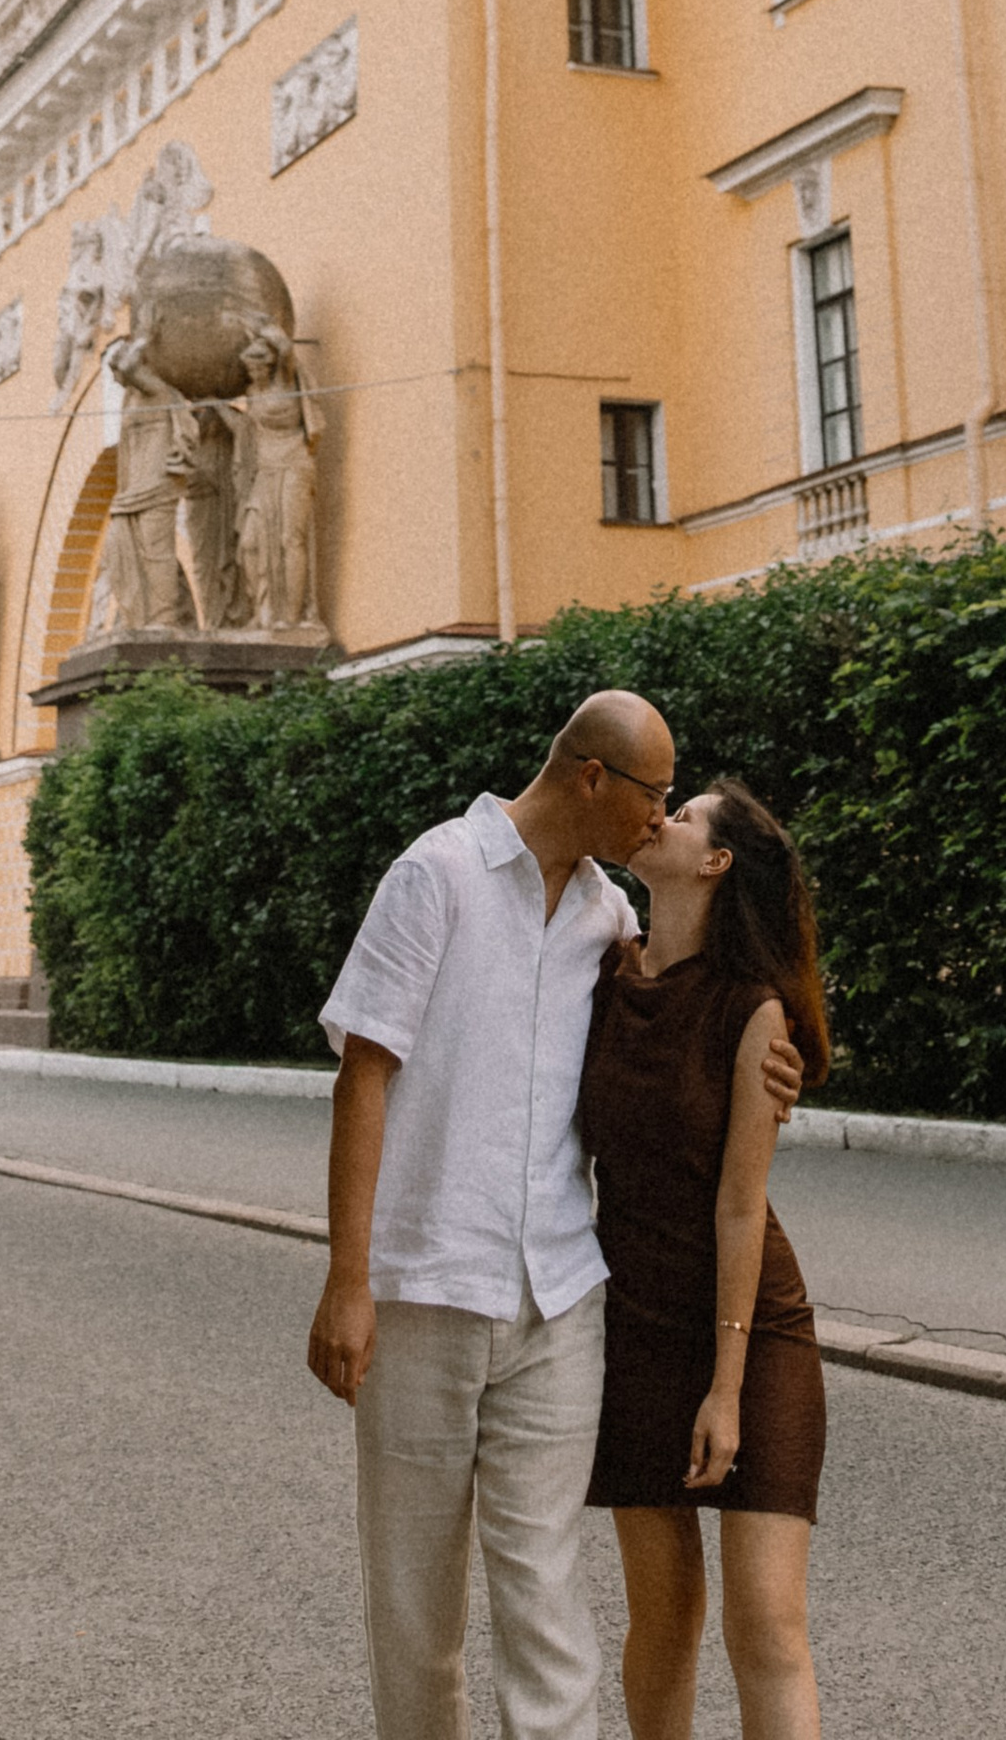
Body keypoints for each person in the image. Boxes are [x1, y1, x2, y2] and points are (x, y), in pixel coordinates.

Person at [307, 692, 798, 1740]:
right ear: (591, 779)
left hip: (560, 1300)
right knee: (414, 1602)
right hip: (425, 1290)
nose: (657, 821)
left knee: (546, 1597)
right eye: (652, 796)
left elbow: (692, 996)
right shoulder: (433, 876)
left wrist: (776, 1053)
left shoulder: (604, 917)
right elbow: (363, 1078)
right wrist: (347, 1279)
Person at [583, 781, 830, 1740]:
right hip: (634, 1325)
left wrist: (725, 1389)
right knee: (665, 1616)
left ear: (718, 862)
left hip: (753, 1332)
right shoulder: (602, 975)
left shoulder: (753, 1012)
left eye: (683, 816)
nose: (661, 818)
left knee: (764, 1623)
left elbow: (739, 1208)